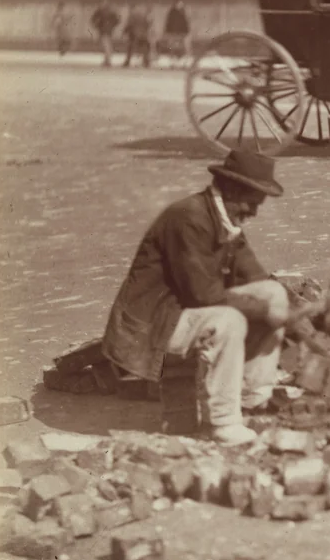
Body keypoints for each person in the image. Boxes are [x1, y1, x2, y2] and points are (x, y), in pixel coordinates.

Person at [101, 149, 290, 445]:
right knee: (229, 321)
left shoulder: (226, 221)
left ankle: (252, 398)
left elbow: (256, 278)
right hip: (152, 324)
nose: (253, 213)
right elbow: (204, 295)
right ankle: (225, 422)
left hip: (182, 310)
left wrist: (293, 311)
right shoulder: (188, 218)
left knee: (274, 294)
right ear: (230, 190)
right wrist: (265, 310)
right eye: (251, 203)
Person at [89, 0, 120, 67]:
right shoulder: (110, 11)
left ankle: (107, 60)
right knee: (106, 45)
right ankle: (107, 60)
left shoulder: (101, 11)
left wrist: (96, 25)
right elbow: (117, 20)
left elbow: (93, 19)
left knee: (106, 45)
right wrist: (112, 26)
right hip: (106, 30)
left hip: (104, 30)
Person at [122, 3, 153, 68]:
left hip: (134, 35)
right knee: (145, 48)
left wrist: (124, 32)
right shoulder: (143, 15)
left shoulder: (132, 15)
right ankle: (146, 62)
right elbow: (147, 25)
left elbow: (129, 25)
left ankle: (127, 61)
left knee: (130, 48)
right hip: (143, 35)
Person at [163, 0, 192, 68]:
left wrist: (186, 32)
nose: (181, 5)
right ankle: (173, 61)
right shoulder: (172, 13)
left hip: (182, 33)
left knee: (186, 47)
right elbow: (169, 23)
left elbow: (186, 23)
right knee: (172, 47)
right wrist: (168, 32)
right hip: (173, 33)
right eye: (180, 4)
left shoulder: (183, 12)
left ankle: (187, 61)